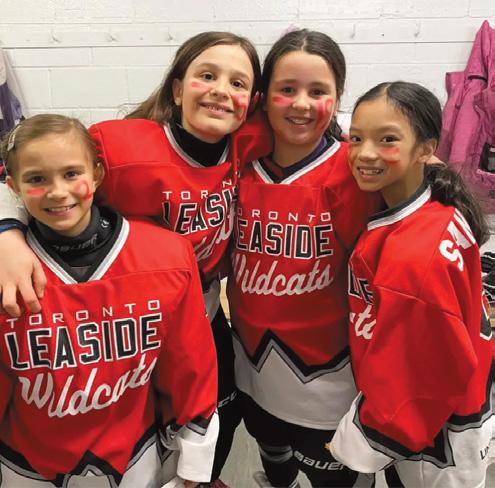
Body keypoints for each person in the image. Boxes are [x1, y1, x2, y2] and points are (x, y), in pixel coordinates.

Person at [0, 31, 269, 487]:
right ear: (177, 89)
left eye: (237, 82)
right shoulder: (117, 144)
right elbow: (35, 170)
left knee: (214, 416)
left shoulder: (251, 140)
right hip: (117, 309)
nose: (222, 90)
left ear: (252, 102)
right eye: (207, 76)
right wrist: (6, 232)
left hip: (200, 311)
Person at [0, 114, 218, 487]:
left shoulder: (165, 256)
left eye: (71, 173)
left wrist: (194, 460)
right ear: (13, 187)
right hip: (27, 466)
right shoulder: (7, 270)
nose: (57, 191)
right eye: (37, 179)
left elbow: (189, 369)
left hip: (136, 458)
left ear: (97, 173)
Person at [226, 29, 379, 488]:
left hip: (330, 380)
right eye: (287, 89)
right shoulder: (233, 163)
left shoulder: (359, 172)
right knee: (275, 463)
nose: (301, 104)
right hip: (252, 367)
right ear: (263, 96)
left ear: (339, 97)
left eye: (318, 91)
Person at [329, 81, 493, 487]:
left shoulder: (412, 259)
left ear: (426, 148)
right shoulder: (437, 202)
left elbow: (420, 379)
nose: (365, 153)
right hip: (466, 402)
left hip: (434, 437)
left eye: (387, 139)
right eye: (357, 139)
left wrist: (362, 439)